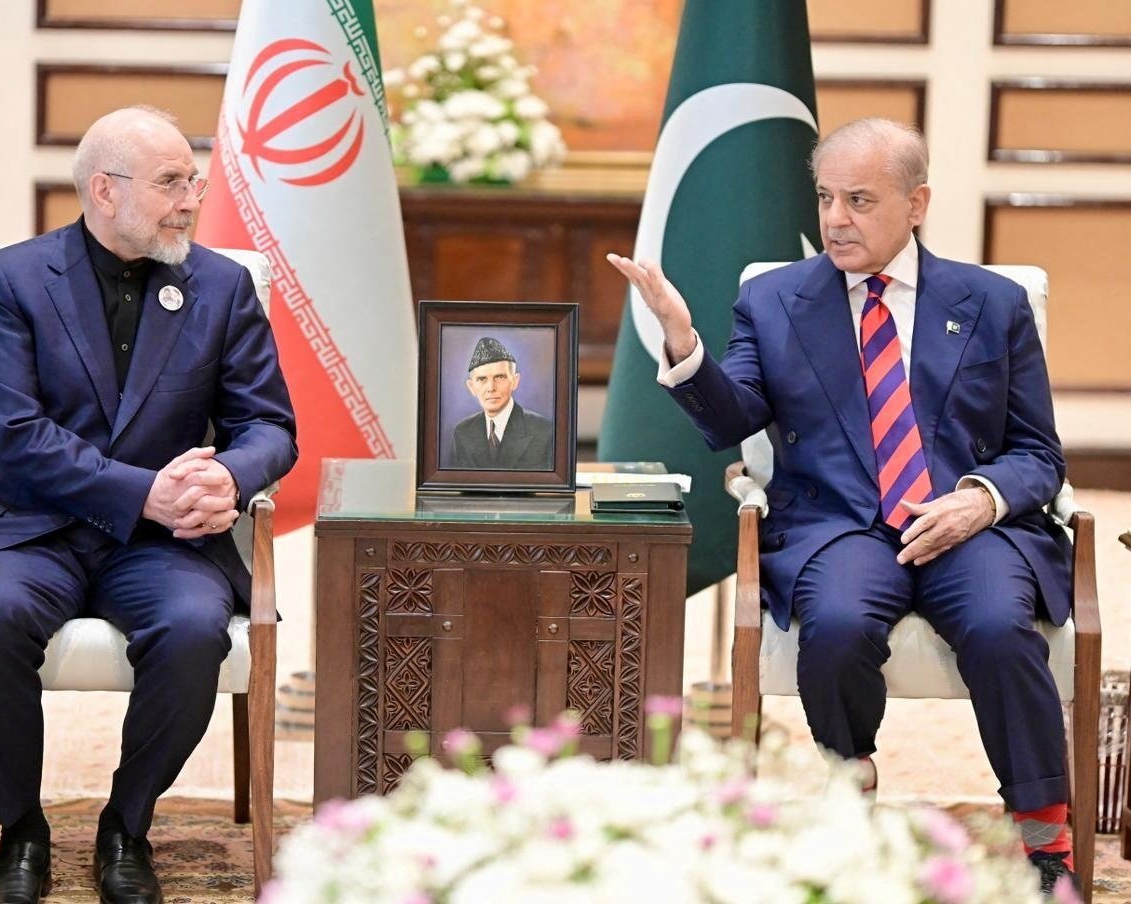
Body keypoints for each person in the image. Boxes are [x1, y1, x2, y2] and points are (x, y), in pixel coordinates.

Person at [608, 118, 1076, 895]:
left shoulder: (993, 303)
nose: (834, 219)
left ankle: (1042, 834)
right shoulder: (775, 299)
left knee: (1001, 628)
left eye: (860, 200)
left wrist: (980, 501)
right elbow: (732, 419)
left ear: (916, 203)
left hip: (967, 524)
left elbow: (1038, 453)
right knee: (838, 626)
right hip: (839, 523)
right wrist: (685, 343)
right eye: (826, 197)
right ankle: (849, 787)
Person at [0, 106, 297, 904]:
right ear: (105, 190)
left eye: (192, 180)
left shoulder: (222, 285)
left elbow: (268, 423)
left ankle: (126, 828)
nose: (190, 200)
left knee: (195, 628)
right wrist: (149, 493)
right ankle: (21, 831)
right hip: (29, 526)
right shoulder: (10, 279)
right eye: (171, 182)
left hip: (163, 544)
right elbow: (16, 435)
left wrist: (229, 479)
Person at [447, 336, 553, 470]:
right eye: (482, 379)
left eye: (500, 377)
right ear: (471, 387)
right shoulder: (462, 432)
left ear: (515, 381)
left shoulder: (544, 431)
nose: (491, 388)